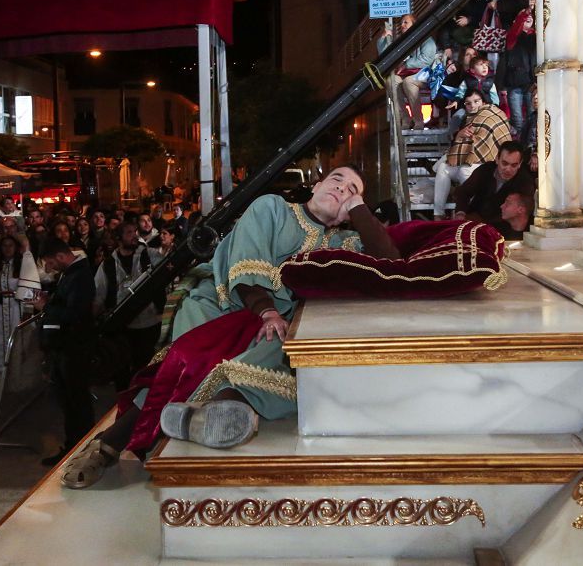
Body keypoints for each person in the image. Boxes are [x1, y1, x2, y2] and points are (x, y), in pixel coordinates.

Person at [60, 167, 401, 489]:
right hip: (225, 303)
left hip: (276, 322)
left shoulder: (341, 242)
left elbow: (390, 261)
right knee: (191, 363)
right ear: (315, 185)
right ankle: (107, 445)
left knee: (287, 359)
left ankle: (207, 418)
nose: (341, 187)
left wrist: (357, 209)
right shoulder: (274, 208)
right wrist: (266, 311)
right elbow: (245, 262)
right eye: (336, 180)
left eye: (352, 190)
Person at [35, 236, 97, 467]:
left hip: (74, 348)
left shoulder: (79, 276)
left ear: (60, 256)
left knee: (76, 402)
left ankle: (81, 448)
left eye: (50, 263)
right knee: (69, 401)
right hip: (65, 348)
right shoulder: (71, 275)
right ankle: (74, 446)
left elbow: (76, 314)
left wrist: (47, 307)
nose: (49, 268)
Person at [93, 222, 162, 389]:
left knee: (146, 367)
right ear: (119, 238)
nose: (134, 236)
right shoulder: (108, 265)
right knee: (122, 370)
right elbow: (99, 294)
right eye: (129, 232)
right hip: (122, 326)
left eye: (135, 232)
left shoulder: (148, 256)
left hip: (148, 322)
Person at [433, 89, 513, 219]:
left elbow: (490, 141)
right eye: (468, 103)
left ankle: (473, 212)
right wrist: (459, 135)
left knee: (464, 170)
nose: (472, 106)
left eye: (476, 101)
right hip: (470, 159)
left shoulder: (492, 113)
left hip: (490, 162)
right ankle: (438, 214)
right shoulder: (467, 118)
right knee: (443, 168)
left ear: (483, 101)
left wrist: (469, 142)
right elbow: (460, 146)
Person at [0, 236, 40, 391]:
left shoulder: (22, 264)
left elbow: (28, 288)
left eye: (10, 245)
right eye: (4, 245)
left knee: (18, 345)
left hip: (17, 308)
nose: (7, 248)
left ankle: (17, 381)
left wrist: (28, 310)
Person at [379, 13, 440, 130]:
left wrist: (406, 64)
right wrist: (383, 38)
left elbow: (427, 59)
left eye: (406, 22)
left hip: (425, 75)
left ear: (414, 24)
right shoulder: (402, 41)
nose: (402, 25)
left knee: (408, 82)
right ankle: (405, 118)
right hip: (407, 74)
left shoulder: (425, 38)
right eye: (401, 23)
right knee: (392, 81)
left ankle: (418, 121)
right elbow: (385, 55)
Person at [450, 141, 533, 223]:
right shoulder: (486, 169)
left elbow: (519, 214)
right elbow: (464, 192)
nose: (508, 169)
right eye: (504, 163)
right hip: (474, 218)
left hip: (504, 227)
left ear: (520, 164)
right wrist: (460, 212)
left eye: (514, 165)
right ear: (497, 159)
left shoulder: (525, 181)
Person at [498, 0, 536, 137]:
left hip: (531, 83)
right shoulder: (512, 36)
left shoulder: (536, 36)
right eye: (525, 16)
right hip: (515, 83)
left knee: (533, 117)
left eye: (531, 16)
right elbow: (518, 25)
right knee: (518, 120)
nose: (528, 17)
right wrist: (527, 10)